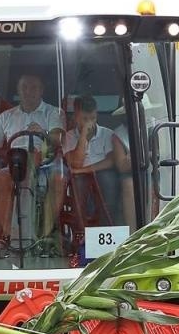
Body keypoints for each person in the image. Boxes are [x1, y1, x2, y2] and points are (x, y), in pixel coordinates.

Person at [0, 73, 64, 244]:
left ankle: (45, 233)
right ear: (18, 90)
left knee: (59, 178)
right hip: (15, 164)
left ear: (41, 90)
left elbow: (58, 140)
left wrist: (43, 133)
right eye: (24, 87)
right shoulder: (7, 116)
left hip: (46, 163)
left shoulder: (53, 112)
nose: (28, 91)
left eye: (33, 87)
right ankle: (10, 236)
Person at [45, 96, 134, 237]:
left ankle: (107, 229)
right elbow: (75, 163)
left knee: (107, 178)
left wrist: (84, 170)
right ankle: (81, 232)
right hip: (79, 178)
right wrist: (83, 137)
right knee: (78, 182)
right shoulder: (68, 136)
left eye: (92, 118)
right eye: (84, 119)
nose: (89, 123)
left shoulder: (107, 134)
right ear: (75, 117)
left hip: (101, 176)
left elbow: (111, 161)